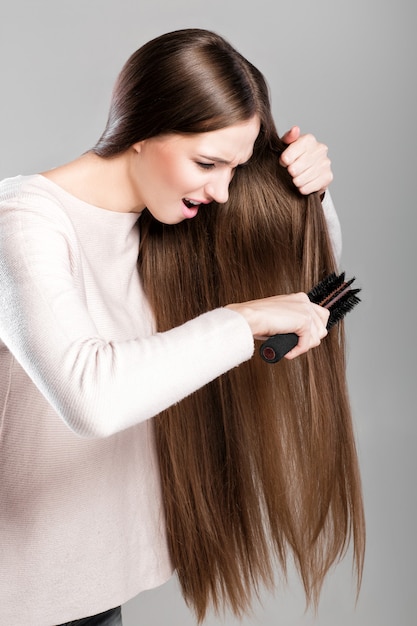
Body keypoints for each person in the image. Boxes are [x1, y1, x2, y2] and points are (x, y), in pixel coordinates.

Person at [0, 28, 365, 626]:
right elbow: (91, 398)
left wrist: (314, 195)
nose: (222, 190)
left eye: (234, 167)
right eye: (207, 163)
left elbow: (306, 288)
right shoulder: (23, 222)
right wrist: (246, 319)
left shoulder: (166, 220)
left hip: (94, 594)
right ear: (143, 131)